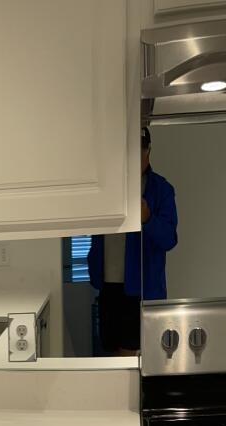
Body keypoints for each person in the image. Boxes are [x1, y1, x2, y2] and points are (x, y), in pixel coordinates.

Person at [91, 128, 177, 354]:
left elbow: (169, 239)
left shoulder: (161, 190)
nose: (132, 159)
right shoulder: (105, 188)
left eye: (138, 152)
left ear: (148, 152)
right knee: (109, 354)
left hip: (142, 290)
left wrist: (148, 219)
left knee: (133, 359)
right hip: (108, 288)